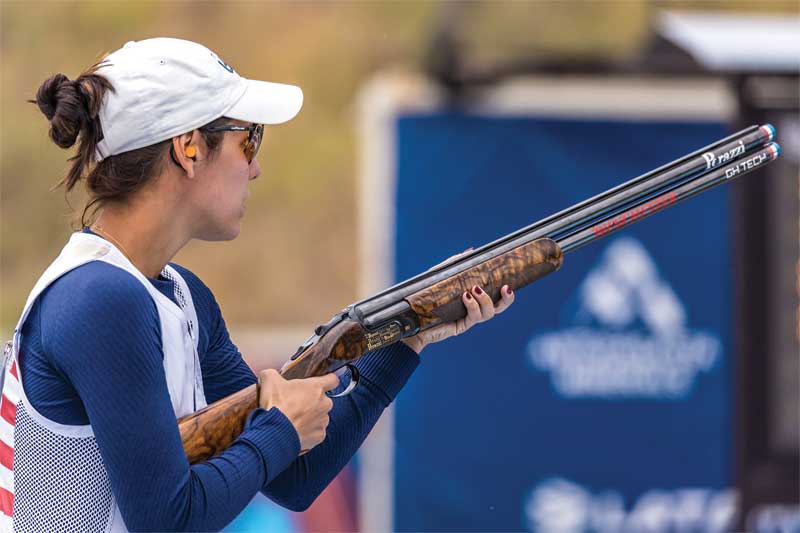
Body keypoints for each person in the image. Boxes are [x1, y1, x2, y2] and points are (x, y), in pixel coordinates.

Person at [0, 37, 515, 531]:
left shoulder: (181, 295)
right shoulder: (100, 300)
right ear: (188, 148)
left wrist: (412, 333)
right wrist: (282, 428)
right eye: (249, 140)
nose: (257, 168)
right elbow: (167, 519)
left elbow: (296, 478)